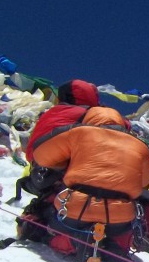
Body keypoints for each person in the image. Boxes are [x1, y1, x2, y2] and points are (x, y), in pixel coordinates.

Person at [30, 105, 149, 262]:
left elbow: (40, 154)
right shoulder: (140, 146)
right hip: (120, 216)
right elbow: (144, 181)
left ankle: (73, 242)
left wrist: (67, 162)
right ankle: (110, 246)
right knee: (115, 231)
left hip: (76, 209)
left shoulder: (78, 132)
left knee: (50, 221)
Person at [15, 80, 101, 242]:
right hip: (63, 179)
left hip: (36, 174)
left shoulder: (52, 112)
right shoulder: (89, 115)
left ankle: (39, 216)